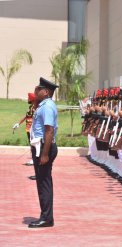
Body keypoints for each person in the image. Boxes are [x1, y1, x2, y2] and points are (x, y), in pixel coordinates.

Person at [28, 77, 59, 228]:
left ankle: (46, 218)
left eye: (39, 89)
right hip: (40, 147)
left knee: (44, 183)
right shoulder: (43, 104)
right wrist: (35, 98)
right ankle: (46, 216)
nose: (36, 91)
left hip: (43, 147)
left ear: (46, 92)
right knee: (42, 182)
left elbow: (49, 131)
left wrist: (45, 154)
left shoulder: (47, 106)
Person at [13, 93, 36, 171]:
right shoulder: (30, 107)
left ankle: (34, 159)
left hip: (32, 129)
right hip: (28, 129)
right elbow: (26, 116)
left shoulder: (35, 108)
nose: (28, 99)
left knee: (33, 145)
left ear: (31, 99)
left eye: (28, 98)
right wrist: (18, 123)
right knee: (31, 144)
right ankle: (33, 158)